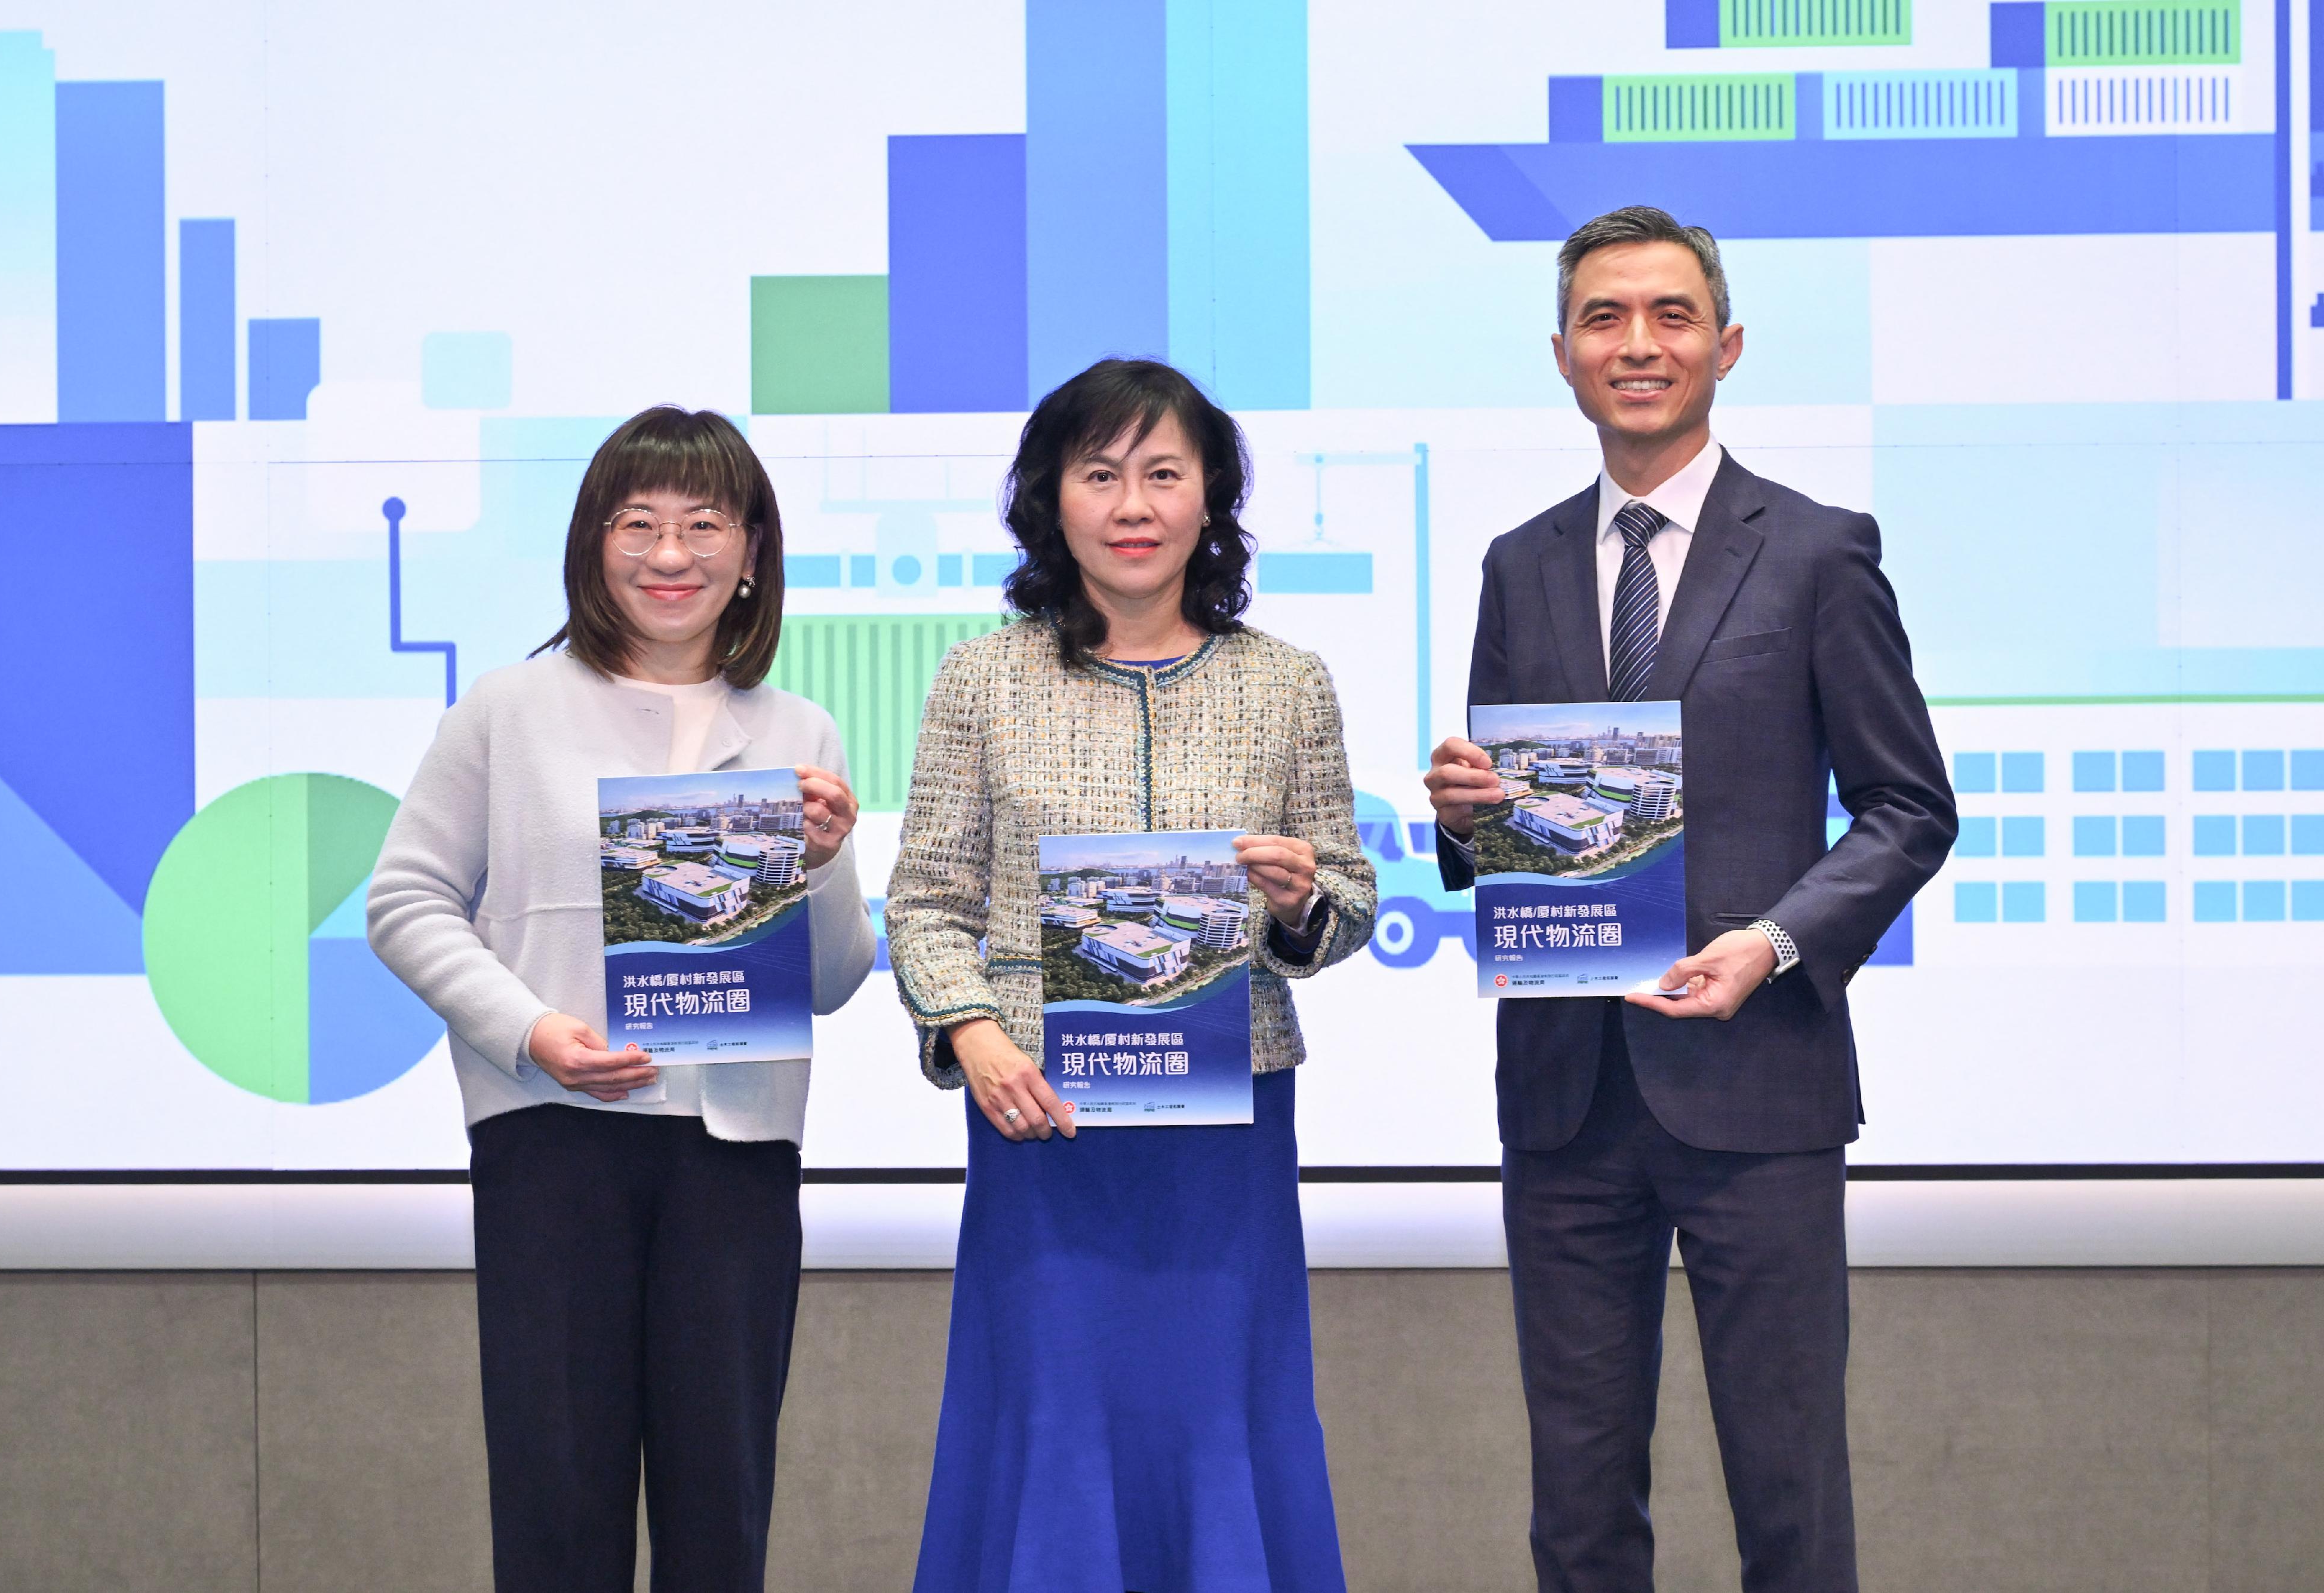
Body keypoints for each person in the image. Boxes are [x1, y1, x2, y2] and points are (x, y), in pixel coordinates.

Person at [1424, 207, 1958, 1592]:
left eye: (1667, 315)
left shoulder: (1818, 550)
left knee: (1787, 1491)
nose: (1636, 343)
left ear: (1723, 345)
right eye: (1603, 318)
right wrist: (1463, 819)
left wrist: (1775, 941)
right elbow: (1511, 827)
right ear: (1560, 353)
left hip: (1756, 1079)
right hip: (1563, 1091)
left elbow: (1909, 807)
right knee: (1578, 1503)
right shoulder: (1515, 560)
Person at [367, 406, 877, 1593]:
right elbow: (405, 899)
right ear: (592, 543)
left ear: (753, 552)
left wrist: (825, 856)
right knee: (555, 1501)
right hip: (550, 1144)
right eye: (637, 522)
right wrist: (527, 1030)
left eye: (704, 524)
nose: (669, 553)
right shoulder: (508, 707)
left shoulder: (796, 727)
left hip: (733, 1151)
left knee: (720, 1509)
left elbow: (838, 977)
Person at [887, 358, 1376, 1593]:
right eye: (1098, 474)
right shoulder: (979, 678)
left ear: (1210, 496)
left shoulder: (1286, 683)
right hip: (1042, 1129)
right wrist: (975, 1037)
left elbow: (1351, 900)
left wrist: (1295, 902)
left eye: (1163, 472)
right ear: (1049, 500)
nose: (1132, 502)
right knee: (1050, 1415)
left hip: (1227, 1138)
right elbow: (927, 903)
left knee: (1225, 1410)